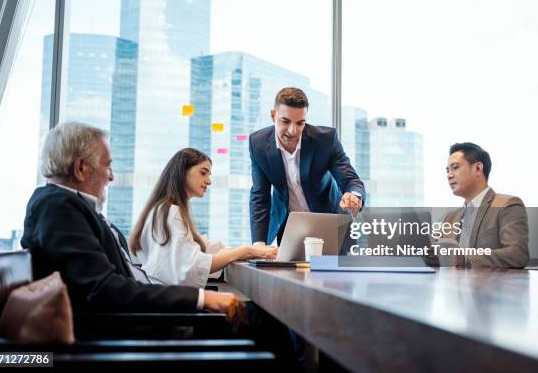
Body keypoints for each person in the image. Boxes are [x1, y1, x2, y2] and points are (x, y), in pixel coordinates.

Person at [21, 122, 244, 321]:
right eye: (107, 166)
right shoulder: (58, 208)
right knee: (257, 321)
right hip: (133, 327)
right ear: (81, 169)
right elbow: (105, 289)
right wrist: (202, 298)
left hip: (141, 312)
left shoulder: (70, 207)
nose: (111, 176)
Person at [129, 148, 277, 287]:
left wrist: (252, 250)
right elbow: (190, 267)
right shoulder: (170, 213)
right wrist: (244, 251)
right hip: (170, 304)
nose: (209, 181)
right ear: (182, 172)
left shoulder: (165, 210)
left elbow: (201, 248)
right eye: (203, 173)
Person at [249, 87, 366, 245]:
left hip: (330, 224)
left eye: (300, 123)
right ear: (273, 116)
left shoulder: (325, 140)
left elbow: (350, 180)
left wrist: (354, 196)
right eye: (285, 121)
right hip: (290, 229)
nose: (292, 131)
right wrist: (259, 243)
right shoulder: (258, 144)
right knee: (286, 270)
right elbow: (260, 196)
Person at [440, 142, 529, 268]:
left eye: (455, 167)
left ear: (478, 168)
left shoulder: (508, 205)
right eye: (447, 170)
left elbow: (517, 255)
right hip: (453, 285)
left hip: (490, 286)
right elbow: (443, 257)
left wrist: (465, 258)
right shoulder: (451, 217)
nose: (449, 175)